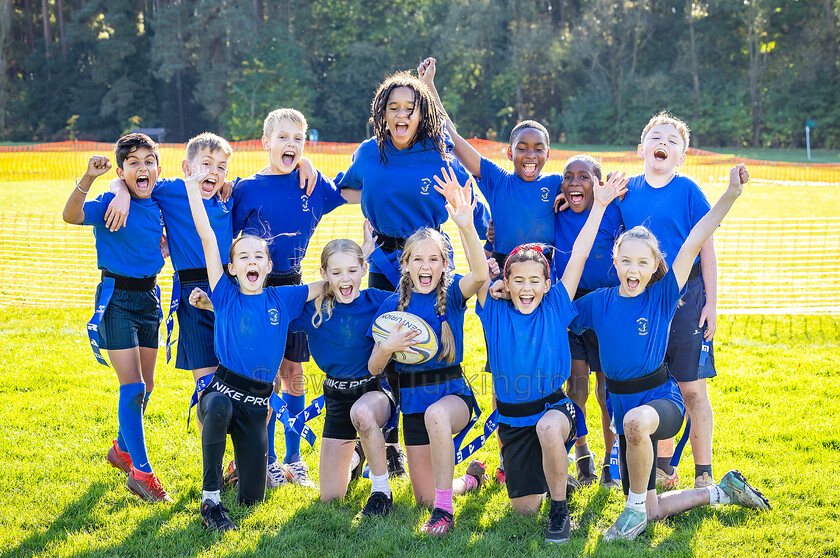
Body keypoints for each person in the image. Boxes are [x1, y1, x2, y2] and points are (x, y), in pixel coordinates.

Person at [571, 165, 770, 541]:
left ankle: (629, 513)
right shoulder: (597, 303)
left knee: (632, 428)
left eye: (643, 262)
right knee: (653, 508)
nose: (633, 269)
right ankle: (721, 490)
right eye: (626, 260)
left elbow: (695, 238)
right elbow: (556, 314)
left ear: (654, 267)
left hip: (662, 402)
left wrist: (730, 194)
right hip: (624, 407)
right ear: (615, 262)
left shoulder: (662, 297)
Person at [338, 70, 489, 477]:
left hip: (428, 262)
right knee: (385, 348)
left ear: (423, 114)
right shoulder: (369, 153)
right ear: (382, 114)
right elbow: (348, 188)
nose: (402, 115)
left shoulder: (437, 152)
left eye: (411, 108)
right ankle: (387, 446)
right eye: (394, 108)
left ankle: (441, 425)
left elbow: (468, 202)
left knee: (431, 346)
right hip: (384, 261)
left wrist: (480, 234)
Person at [419, 56, 563, 483]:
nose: (531, 155)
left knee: (556, 372)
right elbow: (453, 137)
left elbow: (587, 188)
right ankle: (507, 459)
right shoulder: (498, 180)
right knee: (506, 371)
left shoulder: (557, 185)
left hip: (543, 291)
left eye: (539, 149)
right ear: (510, 151)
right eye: (523, 148)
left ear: (548, 153)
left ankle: (573, 453)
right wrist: (429, 88)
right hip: (502, 287)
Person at [476, 171, 629, 544]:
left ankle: (560, 510)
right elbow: (479, 271)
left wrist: (601, 206)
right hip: (513, 420)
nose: (526, 288)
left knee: (547, 428)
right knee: (524, 509)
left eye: (534, 281)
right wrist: (467, 222)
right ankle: (554, 478)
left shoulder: (557, 304)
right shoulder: (493, 310)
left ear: (547, 284)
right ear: (506, 283)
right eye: (518, 281)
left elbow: (577, 253)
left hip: (555, 412)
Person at [183, 160, 324, 531]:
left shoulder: (283, 297)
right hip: (223, 393)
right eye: (243, 256)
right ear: (231, 268)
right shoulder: (225, 293)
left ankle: (239, 478)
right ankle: (210, 499)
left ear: (268, 264)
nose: (251, 261)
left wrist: (364, 259)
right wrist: (192, 191)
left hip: (257, 405)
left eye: (258, 256)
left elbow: (327, 285)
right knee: (214, 408)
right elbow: (208, 239)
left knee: (252, 498)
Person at [231, 108, 356, 489]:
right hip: (257, 291)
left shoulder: (312, 184)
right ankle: (266, 460)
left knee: (294, 374)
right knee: (263, 378)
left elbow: (356, 192)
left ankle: (294, 458)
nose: (290, 145)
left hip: (296, 287)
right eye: (282, 138)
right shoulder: (246, 189)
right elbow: (225, 237)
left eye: (298, 139)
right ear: (265, 142)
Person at [367, 167, 489, 536]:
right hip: (413, 404)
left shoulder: (451, 295)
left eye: (434, 259)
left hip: (451, 397)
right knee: (424, 495)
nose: (426, 266)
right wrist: (387, 347)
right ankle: (468, 482)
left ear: (443, 265)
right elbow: (374, 368)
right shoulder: (392, 306)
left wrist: (466, 225)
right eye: (417, 259)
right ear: (404, 264)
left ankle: (444, 514)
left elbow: (481, 276)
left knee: (438, 417)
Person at [62, 133, 170, 502]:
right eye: (133, 163)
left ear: (158, 166)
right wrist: (92, 178)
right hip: (116, 301)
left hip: (150, 297)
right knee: (134, 388)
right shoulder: (111, 201)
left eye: (148, 161)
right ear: (122, 171)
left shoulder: (160, 201)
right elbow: (71, 215)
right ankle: (141, 474)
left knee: (148, 386)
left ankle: (121, 451)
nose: (143, 168)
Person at [617, 112, 719, 489]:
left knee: (691, 387)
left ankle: (703, 473)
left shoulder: (689, 190)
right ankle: (663, 467)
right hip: (643, 298)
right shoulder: (627, 190)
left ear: (683, 155)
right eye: (656, 138)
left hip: (687, 298)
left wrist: (711, 302)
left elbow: (706, 247)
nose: (663, 144)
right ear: (641, 148)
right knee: (655, 384)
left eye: (672, 141)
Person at [288, 226, 397, 518]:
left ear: (364, 268)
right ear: (324, 274)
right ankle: (356, 456)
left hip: (374, 393)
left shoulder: (377, 300)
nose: (345, 279)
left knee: (362, 415)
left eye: (352, 270)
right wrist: (215, 304)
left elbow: (413, 293)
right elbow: (268, 310)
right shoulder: (313, 310)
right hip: (336, 400)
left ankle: (381, 491)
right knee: (330, 498)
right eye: (336, 273)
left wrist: (372, 254)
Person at [552, 154, 624, 487]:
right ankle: (582, 455)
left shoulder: (613, 211)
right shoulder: (556, 212)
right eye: (569, 177)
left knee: (606, 390)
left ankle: (612, 461)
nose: (575, 183)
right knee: (576, 387)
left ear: (599, 183)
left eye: (584, 177)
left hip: (608, 308)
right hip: (572, 305)